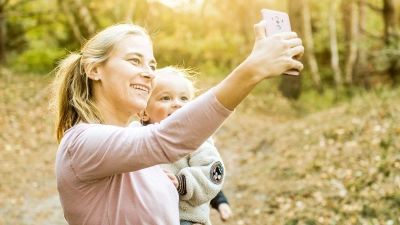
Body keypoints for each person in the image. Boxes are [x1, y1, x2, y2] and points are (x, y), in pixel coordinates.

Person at [50, 19, 303, 224]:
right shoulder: (82, 143)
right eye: (134, 60)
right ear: (94, 70)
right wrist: (252, 70)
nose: (149, 73)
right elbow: (166, 139)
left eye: (152, 64)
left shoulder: (137, 152)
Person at [130, 66, 225, 225]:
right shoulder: (135, 135)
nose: (177, 104)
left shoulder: (196, 137)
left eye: (184, 99)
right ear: (143, 112)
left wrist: (181, 183)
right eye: (166, 98)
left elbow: (213, 171)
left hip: (185, 218)